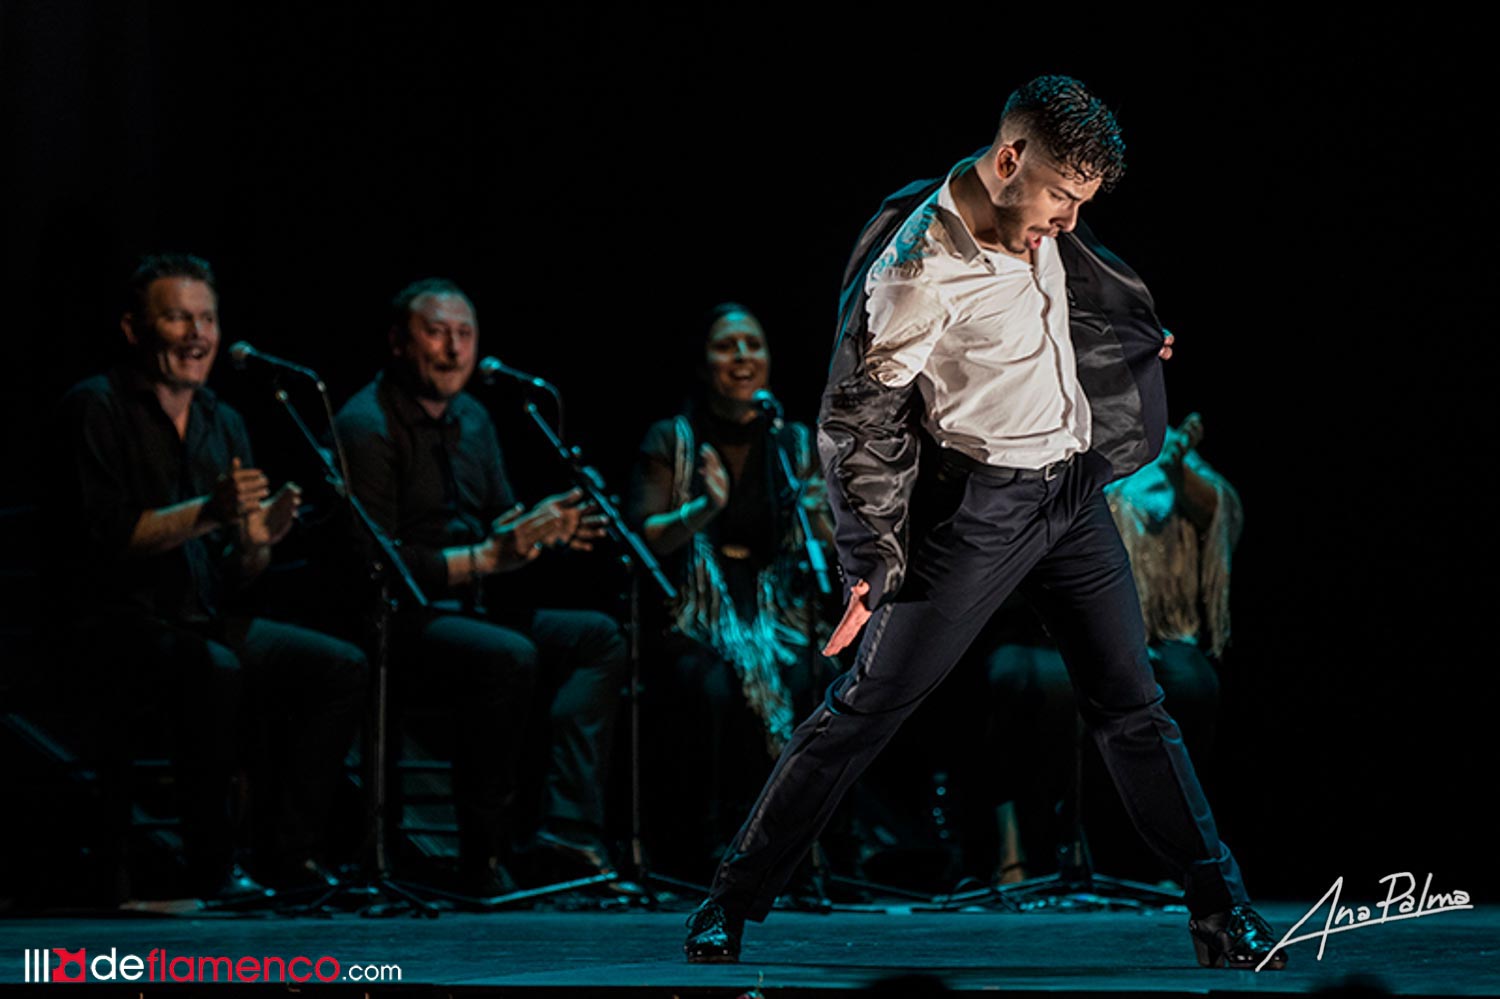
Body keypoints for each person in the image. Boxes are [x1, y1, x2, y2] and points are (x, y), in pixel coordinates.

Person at [684, 76, 1286, 970]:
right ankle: (731, 896)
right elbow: (857, 419)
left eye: (1084, 201)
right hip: (977, 513)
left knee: (1135, 705)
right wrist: (869, 551)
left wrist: (1130, 343)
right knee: (866, 706)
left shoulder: (1035, 218)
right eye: (1061, 197)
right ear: (1010, 160)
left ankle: (1221, 911)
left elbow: (1078, 291)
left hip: (1072, 498)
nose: (1070, 222)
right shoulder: (916, 268)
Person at [53, 253, 368, 901]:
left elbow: (237, 570)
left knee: (339, 666)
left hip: (201, 615)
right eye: (176, 317)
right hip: (112, 619)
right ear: (134, 329)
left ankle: (292, 855)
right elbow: (103, 538)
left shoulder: (223, 420)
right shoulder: (95, 407)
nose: (197, 334)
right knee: (213, 667)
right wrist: (209, 511)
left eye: (207, 318)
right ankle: (212, 867)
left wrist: (258, 540)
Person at [334, 278, 627, 895]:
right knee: (507, 655)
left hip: (471, 606)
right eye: (436, 333)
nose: (453, 349)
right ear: (398, 342)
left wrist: (540, 533)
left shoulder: (474, 419)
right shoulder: (366, 423)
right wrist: (493, 554)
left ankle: (566, 833)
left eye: (464, 335)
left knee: (596, 637)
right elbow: (375, 563)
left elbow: (498, 529)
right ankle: (482, 856)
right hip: (396, 619)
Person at [628, 304, 836, 877]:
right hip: (696, 609)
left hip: (778, 610)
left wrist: (822, 521)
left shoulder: (793, 443)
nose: (742, 357)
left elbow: (826, 542)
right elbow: (647, 537)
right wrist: (703, 509)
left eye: (753, 345)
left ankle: (799, 855)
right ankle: (707, 854)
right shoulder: (674, 438)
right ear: (704, 365)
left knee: (817, 681)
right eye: (727, 347)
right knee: (711, 689)